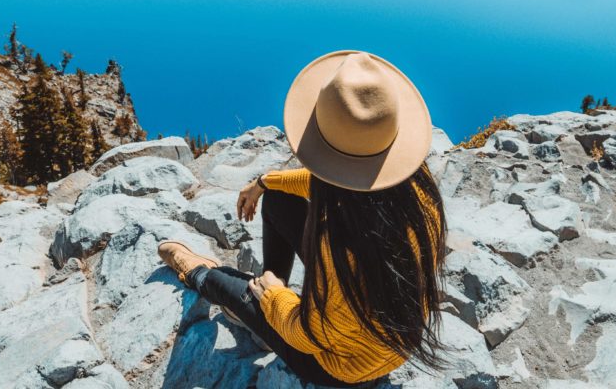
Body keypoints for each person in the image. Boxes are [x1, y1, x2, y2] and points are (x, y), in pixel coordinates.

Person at [158, 50, 447, 387]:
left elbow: (310, 335)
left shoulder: (340, 249)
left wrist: (275, 296)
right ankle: (262, 305)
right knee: (281, 199)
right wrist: (267, 182)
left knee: (222, 281)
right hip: (375, 327)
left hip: (342, 369)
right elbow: (339, 184)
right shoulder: (416, 190)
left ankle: (198, 274)